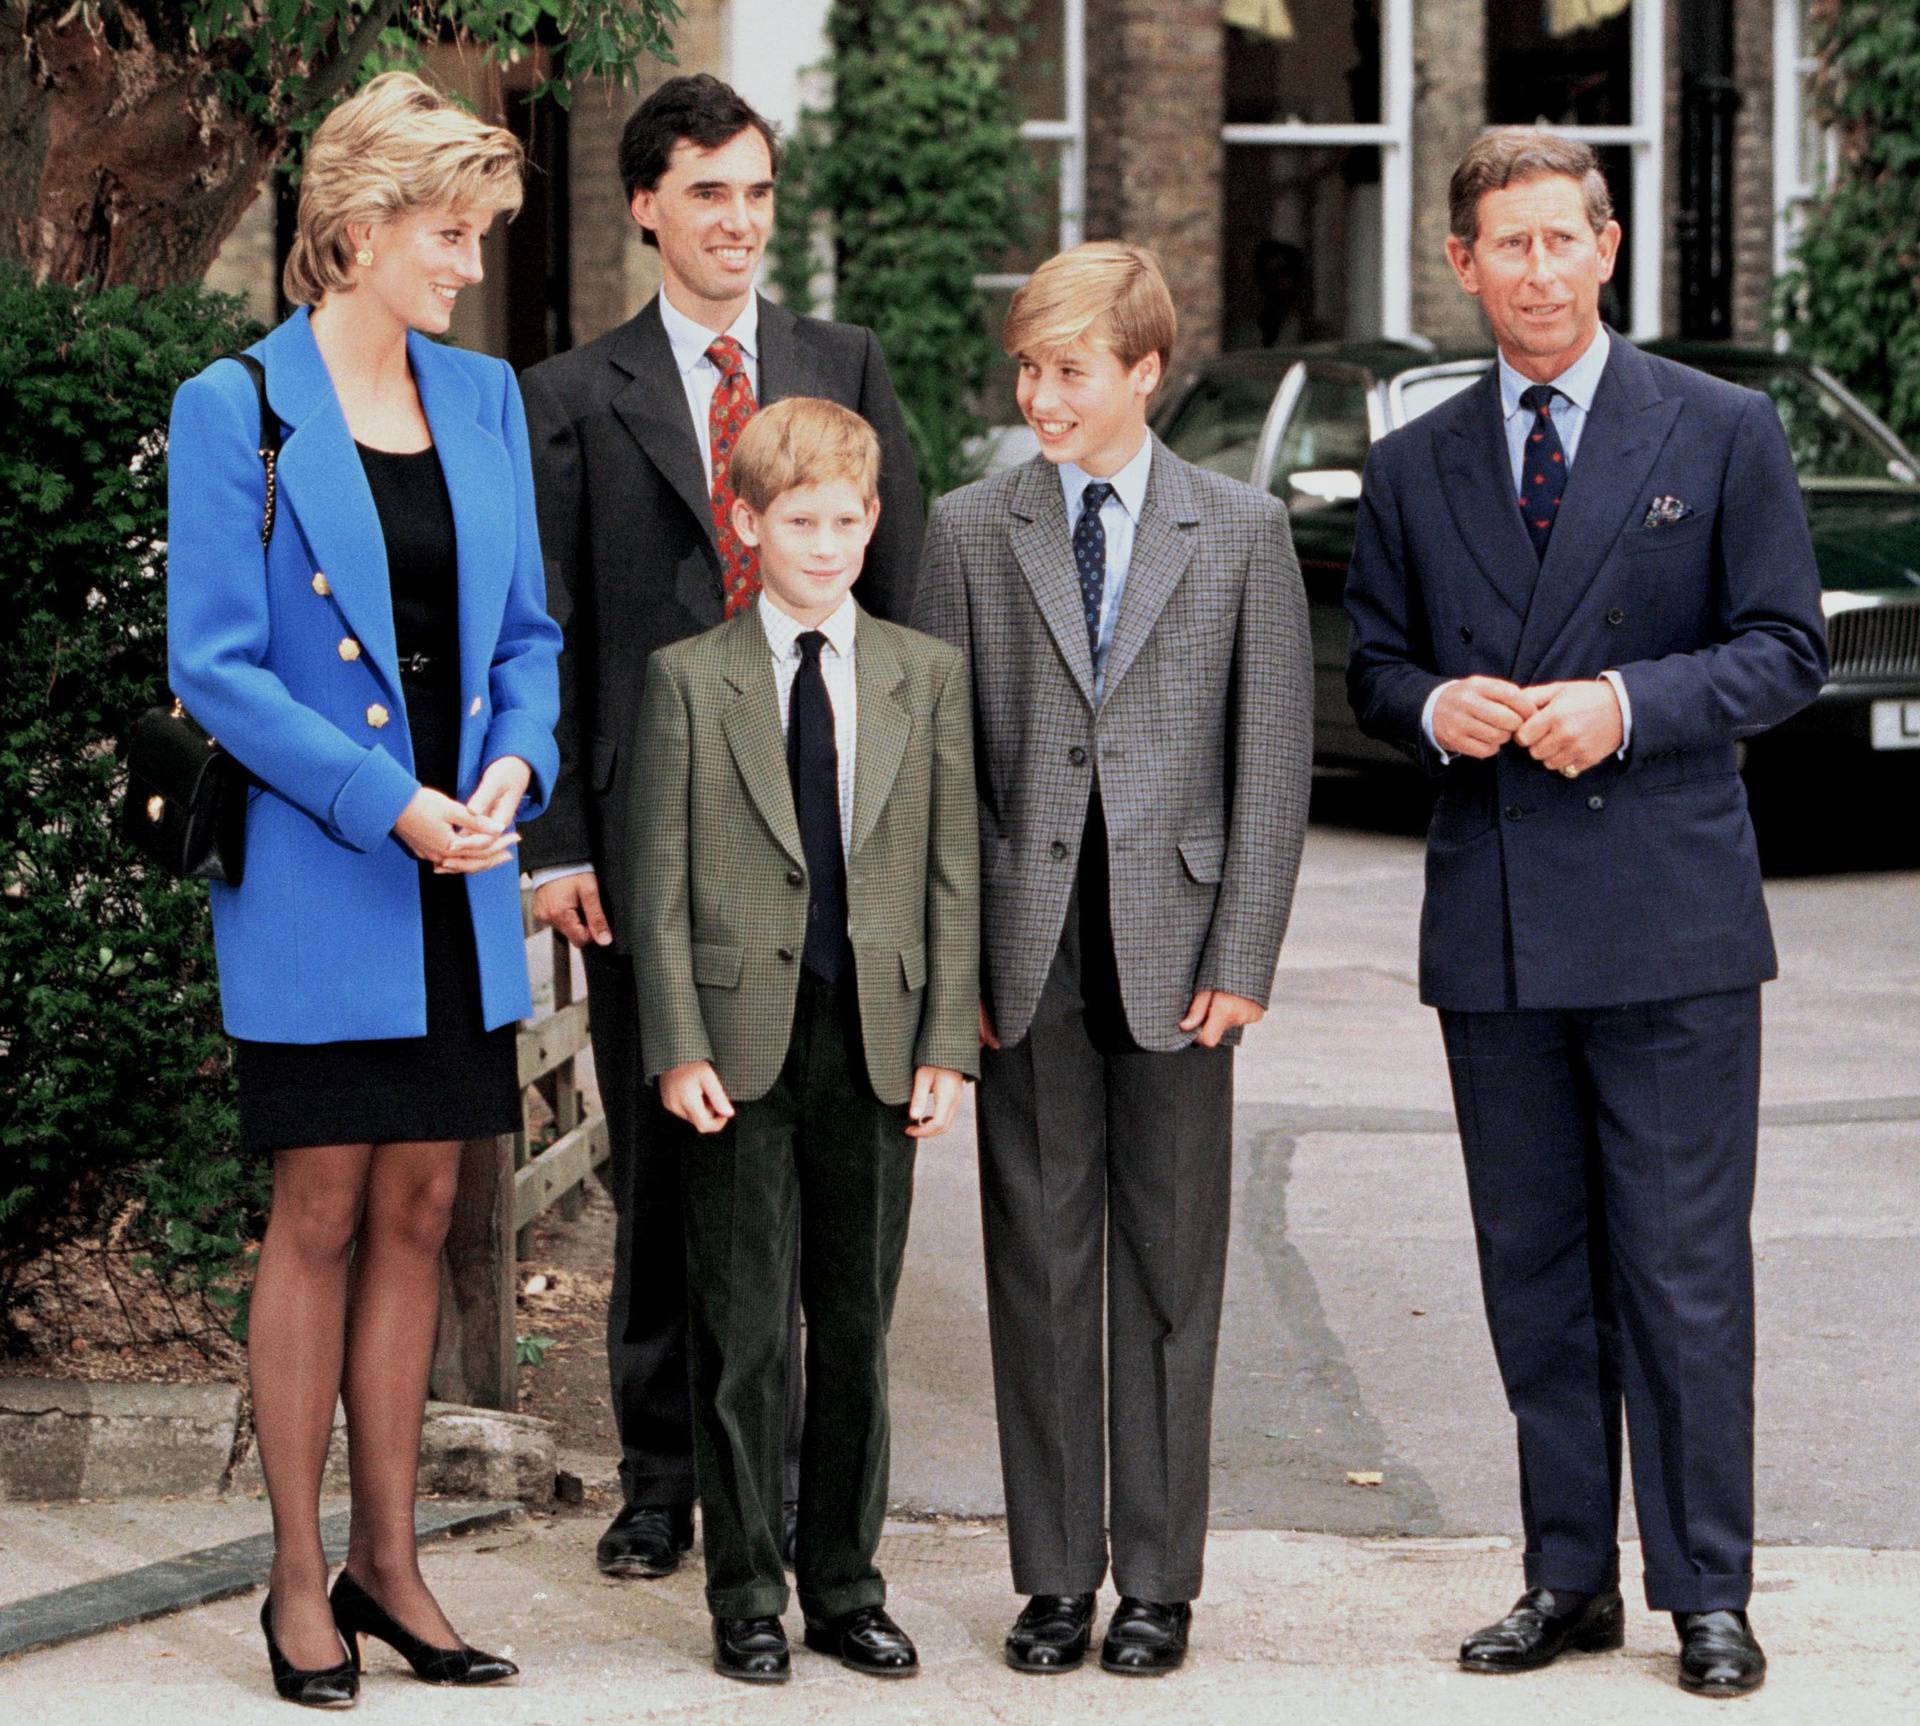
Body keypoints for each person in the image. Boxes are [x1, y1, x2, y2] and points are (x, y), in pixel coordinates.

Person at [1344, 129, 1828, 1698]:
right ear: (1463, 264)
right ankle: (1566, 1575)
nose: (1538, 271)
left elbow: (1785, 650)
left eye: (1564, 240)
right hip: (1495, 921)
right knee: (1533, 1265)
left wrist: (1624, 701)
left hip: (1670, 915)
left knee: (1683, 1268)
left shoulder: (1722, 425)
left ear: (1608, 247)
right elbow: (1370, 668)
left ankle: (1706, 1588)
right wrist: (1438, 708)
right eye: (1509, 246)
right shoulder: (1415, 461)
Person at [166, 72, 560, 1707]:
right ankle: (293, 1578)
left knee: (422, 1208)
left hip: (458, 874)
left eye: (477, 237)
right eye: (450, 235)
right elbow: (218, 668)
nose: (469, 267)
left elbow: (529, 640)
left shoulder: (484, 401)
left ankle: (392, 1568)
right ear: (360, 226)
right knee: (319, 1212)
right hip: (329, 872)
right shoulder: (235, 404)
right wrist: (384, 802)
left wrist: (511, 776)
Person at [517, 74, 925, 1583]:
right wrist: (556, 842)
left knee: (822, 1182)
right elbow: (544, 631)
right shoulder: (571, 395)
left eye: (755, 192)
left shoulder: (847, 364)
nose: (737, 222)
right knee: (666, 1165)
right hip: (648, 848)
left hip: (830, 830)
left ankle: (813, 1511)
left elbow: (912, 603)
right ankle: (658, 1474)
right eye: (706, 193)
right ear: (645, 207)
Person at [914, 242, 1313, 1677]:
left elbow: (1269, 760)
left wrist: (1247, 947)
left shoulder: (1241, 528)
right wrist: (947, 958)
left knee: (1166, 1268)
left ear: (1145, 374)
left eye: (1069, 370)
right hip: (1023, 952)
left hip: (1180, 951)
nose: (1041, 394)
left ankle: (1155, 1574)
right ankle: (1052, 1574)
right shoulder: (971, 526)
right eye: (1027, 367)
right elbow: (939, 765)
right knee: (1035, 1258)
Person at [629, 396, 976, 1683]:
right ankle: (746, 1594)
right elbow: (656, 885)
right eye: (801, 523)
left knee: (858, 1327)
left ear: (875, 523)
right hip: (735, 1040)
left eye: (848, 522)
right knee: (745, 1328)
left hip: (876, 1035)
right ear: (748, 522)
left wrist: (948, 1041)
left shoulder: (924, 675)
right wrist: (676, 1043)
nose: (826, 547)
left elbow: (953, 878)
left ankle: (845, 1581)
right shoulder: (688, 680)